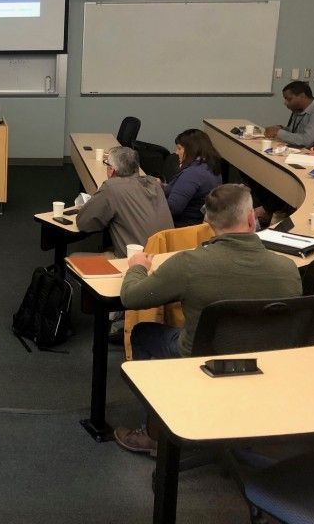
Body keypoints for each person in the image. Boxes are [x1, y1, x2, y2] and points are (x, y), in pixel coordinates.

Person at [112, 183, 302, 455]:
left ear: (206, 222)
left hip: (205, 358)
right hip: (266, 363)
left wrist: (137, 267)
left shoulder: (189, 264)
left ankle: (154, 434)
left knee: (143, 333)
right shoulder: (288, 269)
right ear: (251, 219)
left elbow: (132, 297)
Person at [75, 146, 174, 257]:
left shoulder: (111, 188)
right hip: (167, 258)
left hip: (136, 262)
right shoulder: (154, 183)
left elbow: (83, 223)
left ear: (111, 170)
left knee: (74, 257)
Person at [163, 129, 223, 227]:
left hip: (178, 227)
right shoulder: (210, 167)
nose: (176, 153)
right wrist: (162, 186)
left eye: (179, 148)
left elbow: (173, 208)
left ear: (191, 150)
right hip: (196, 225)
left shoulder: (193, 174)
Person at [263, 80, 314, 149]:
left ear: (302, 96)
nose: (285, 103)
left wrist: (278, 132)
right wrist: (280, 128)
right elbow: (294, 132)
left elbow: (307, 141)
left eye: (289, 99)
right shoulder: (298, 109)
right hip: (298, 149)